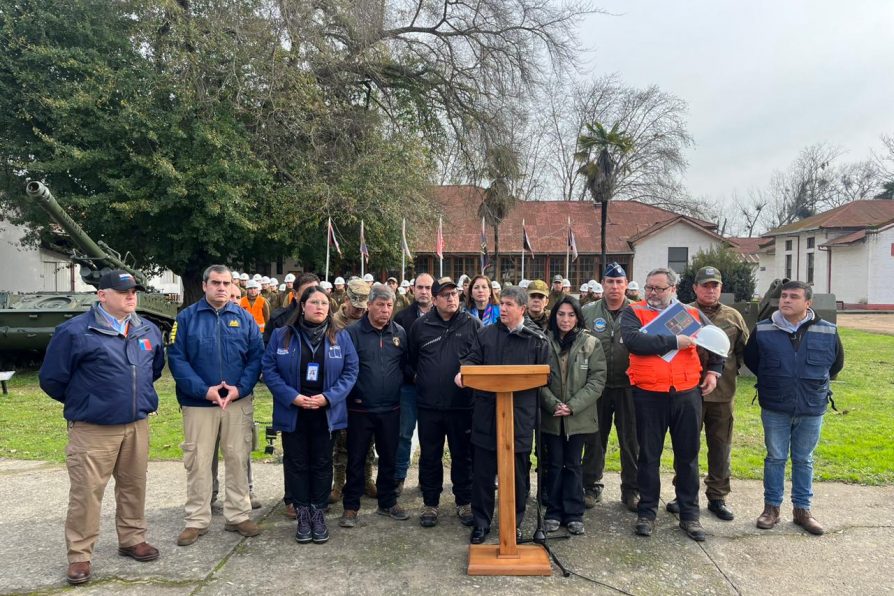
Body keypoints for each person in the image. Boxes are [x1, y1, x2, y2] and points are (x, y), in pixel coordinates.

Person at [39, 270, 165, 586]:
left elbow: (155, 369)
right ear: (102, 295)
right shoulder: (75, 332)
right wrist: (90, 401)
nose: (131, 296)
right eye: (123, 291)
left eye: (134, 290)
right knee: (87, 493)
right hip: (93, 429)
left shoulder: (148, 329)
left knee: (134, 485)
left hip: (136, 424)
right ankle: (80, 556)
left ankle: (132, 539)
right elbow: (52, 379)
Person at [620, 267, 723, 542]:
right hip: (648, 394)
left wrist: (714, 370)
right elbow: (634, 342)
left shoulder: (689, 314)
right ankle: (647, 513)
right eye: (649, 288)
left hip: (687, 394)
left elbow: (716, 341)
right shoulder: (634, 312)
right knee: (648, 456)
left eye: (659, 289)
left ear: (673, 290)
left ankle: (690, 515)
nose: (652, 293)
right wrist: (674, 341)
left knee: (688, 457)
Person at [168, 265, 265, 547]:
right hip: (199, 403)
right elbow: (177, 360)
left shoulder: (244, 319)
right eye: (216, 283)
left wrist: (240, 388)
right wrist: (205, 391)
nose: (221, 288)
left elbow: (256, 358)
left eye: (226, 283)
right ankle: (196, 519)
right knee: (198, 461)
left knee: (237, 457)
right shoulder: (186, 319)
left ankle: (238, 515)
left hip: (237, 401)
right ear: (204, 285)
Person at [744, 280, 844, 536]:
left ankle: (802, 511)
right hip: (776, 404)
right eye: (784, 296)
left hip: (811, 406)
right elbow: (753, 361)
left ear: (807, 303)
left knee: (804, 459)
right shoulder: (764, 329)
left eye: (794, 297)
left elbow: (835, 366)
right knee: (775, 458)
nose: (786, 300)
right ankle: (771, 509)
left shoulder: (828, 331)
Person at [263, 285, 359, 544]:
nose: (319, 307)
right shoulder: (282, 335)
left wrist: (328, 397)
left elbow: (351, 371)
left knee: (321, 462)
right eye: (314, 302)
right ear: (302, 306)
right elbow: (269, 369)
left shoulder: (341, 335)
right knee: (296, 463)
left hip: (324, 411)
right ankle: (302, 512)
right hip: (293, 410)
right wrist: (291, 396)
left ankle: (318, 512)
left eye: (324, 303)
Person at [457, 285, 550, 544]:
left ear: (522, 309)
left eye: (510, 305)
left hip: (519, 417)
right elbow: (471, 361)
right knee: (483, 474)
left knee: (518, 476)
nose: (504, 309)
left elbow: (546, 374)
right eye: (503, 304)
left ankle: (514, 523)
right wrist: (464, 371)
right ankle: (482, 522)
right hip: (487, 415)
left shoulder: (536, 339)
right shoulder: (486, 335)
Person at [666, 267, 749, 521]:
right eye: (705, 285)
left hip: (722, 395)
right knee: (686, 446)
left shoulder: (733, 316)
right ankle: (684, 493)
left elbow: (743, 351)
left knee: (720, 446)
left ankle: (717, 495)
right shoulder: (683, 313)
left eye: (715, 285)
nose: (710, 290)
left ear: (721, 288)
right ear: (695, 288)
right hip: (687, 391)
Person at [408, 276, 481, 528]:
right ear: (435, 299)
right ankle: (430, 503)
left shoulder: (473, 324)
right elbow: (410, 359)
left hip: (462, 406)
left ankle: (464, 502)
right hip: (429, 406)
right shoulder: (421, 325)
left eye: (454, 294)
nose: (451, 298)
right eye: (445, 295)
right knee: (430, 456)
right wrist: (421, 378)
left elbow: (481, 360)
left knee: (463, 457)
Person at [340, 286, 411, 527]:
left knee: (389, 457)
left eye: (389, 305)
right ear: (369, 305)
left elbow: (405, 365)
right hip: (360, 409)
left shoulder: (399, 333)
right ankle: (351, 507)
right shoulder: (352, 333)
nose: (384, 309)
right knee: (356, 459)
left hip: (391, 409)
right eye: (380, 304)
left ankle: (387, 502)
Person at [539, 296, 606, 535]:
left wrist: (573, 406)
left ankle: (574, 513)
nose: (565, 319)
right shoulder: (543, 341)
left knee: (574, 465)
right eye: (561, 314)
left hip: (579, 417)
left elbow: (597, 380)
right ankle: (554, 511)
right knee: (554, 464)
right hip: (552, 416)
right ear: (554, 316)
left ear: (577, 317)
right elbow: (537, 378)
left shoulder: (591, 343)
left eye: (570, 315)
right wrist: (552, 404)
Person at [581, 262, 639, 511]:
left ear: (626, 285)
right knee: (595, 438)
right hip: (597, 386)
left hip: (630, 386)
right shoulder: (587, 311)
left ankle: (631, 489)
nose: (614, 287)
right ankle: (591, 486)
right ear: (602, 285)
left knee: (631, 440)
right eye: (609, 282)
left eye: (619, 282)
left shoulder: (639, 311)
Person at [329, 278, 377, 502]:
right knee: (340, 442)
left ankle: (367, 480)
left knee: (367, 441)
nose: (359, 311)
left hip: (364, 389)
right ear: (347, 300)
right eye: (355, 306)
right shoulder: (333, 322)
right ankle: (338, 484)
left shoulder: (370, 321)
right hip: (339, 391)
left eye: (363, 307)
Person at [393, 273, 434, 494]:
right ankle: (399, 476)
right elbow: (398, 354)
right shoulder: (401, 318)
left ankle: (426, 479)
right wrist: (412, 375)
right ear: (413, 289)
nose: (424, 291)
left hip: (433, 387)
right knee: (404, 432)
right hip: (409, 385)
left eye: (428, 287)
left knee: (430, 435)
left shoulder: (442, 316)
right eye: (420, 287)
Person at [265, 272, 321, 345]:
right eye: (307, 292)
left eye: (316, 291)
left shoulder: (326, 319)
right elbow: (269, 350)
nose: (313, 296)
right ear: (295, 294)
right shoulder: (278, 320)